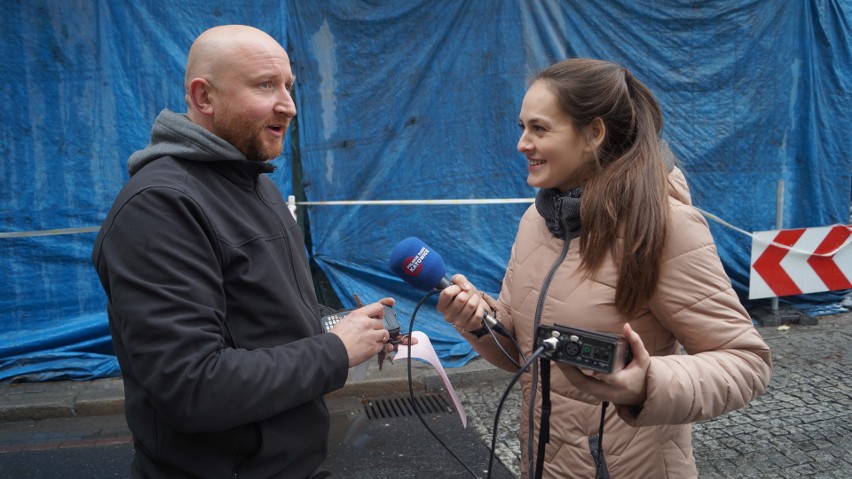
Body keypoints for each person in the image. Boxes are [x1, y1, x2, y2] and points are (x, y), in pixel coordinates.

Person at [92, 25, 405, 478]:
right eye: (265, 85)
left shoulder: (257, 184)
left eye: (289, 87)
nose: (290, 106)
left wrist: (356, 327)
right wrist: (336, 350)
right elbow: (192, 387)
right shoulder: (160, 207)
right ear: (204, 98)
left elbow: (264, 314)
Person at [437, 58, 772, 478]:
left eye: (539, 129)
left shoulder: (665, 227)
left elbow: (746, 361)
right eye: (521, 127)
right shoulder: (536, 221)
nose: (523, 143)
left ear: (593, 133)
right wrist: (478, 321)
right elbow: (524, 352)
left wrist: (647, 384)